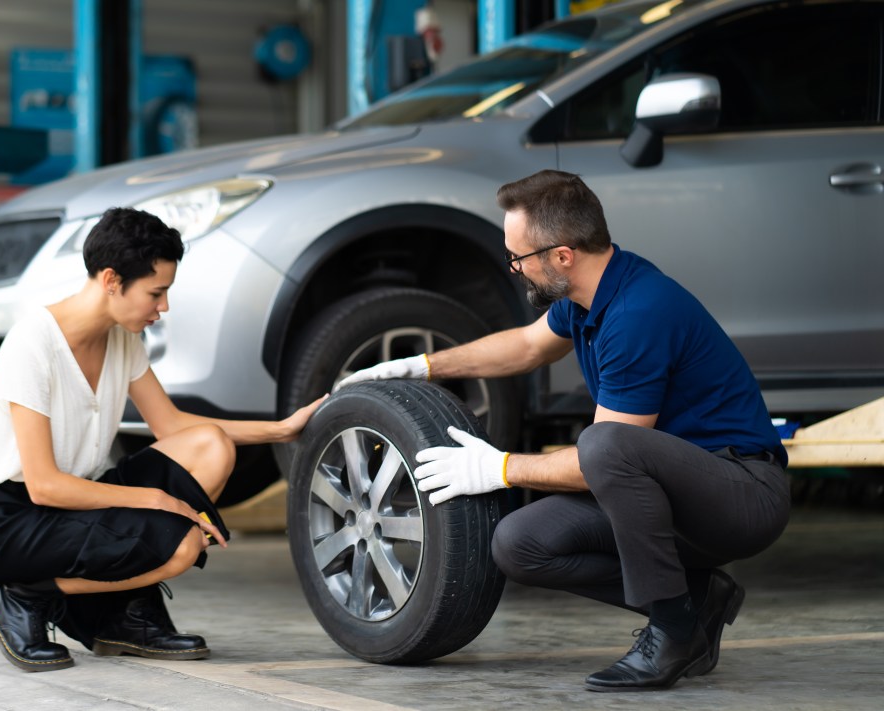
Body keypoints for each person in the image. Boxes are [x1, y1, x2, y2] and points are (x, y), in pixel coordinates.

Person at [336, 170, 790, 691]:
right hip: (670, 492)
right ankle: (696, 599)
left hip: (740, 493)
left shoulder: (638, 312)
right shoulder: (587, 297)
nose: (514, 269)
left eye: (518, 258)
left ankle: (671, 631)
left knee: (603, 442)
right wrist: (423, 365)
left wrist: (498, 467)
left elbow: (601, 460)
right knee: (518, 543)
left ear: (562, 256)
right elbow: (527, 347)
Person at [0, 207, 324, 673]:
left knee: (211, 446)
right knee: (183, 545)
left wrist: (278, 429)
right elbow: (44, 487)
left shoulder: (121, 338)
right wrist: (158, 500)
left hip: (76, 502)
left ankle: (121, 616)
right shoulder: (33, 344)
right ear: (112, 280)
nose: (163, 307)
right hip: (12, 521)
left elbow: (173, 426)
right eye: (156, 292)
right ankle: (20, 595)